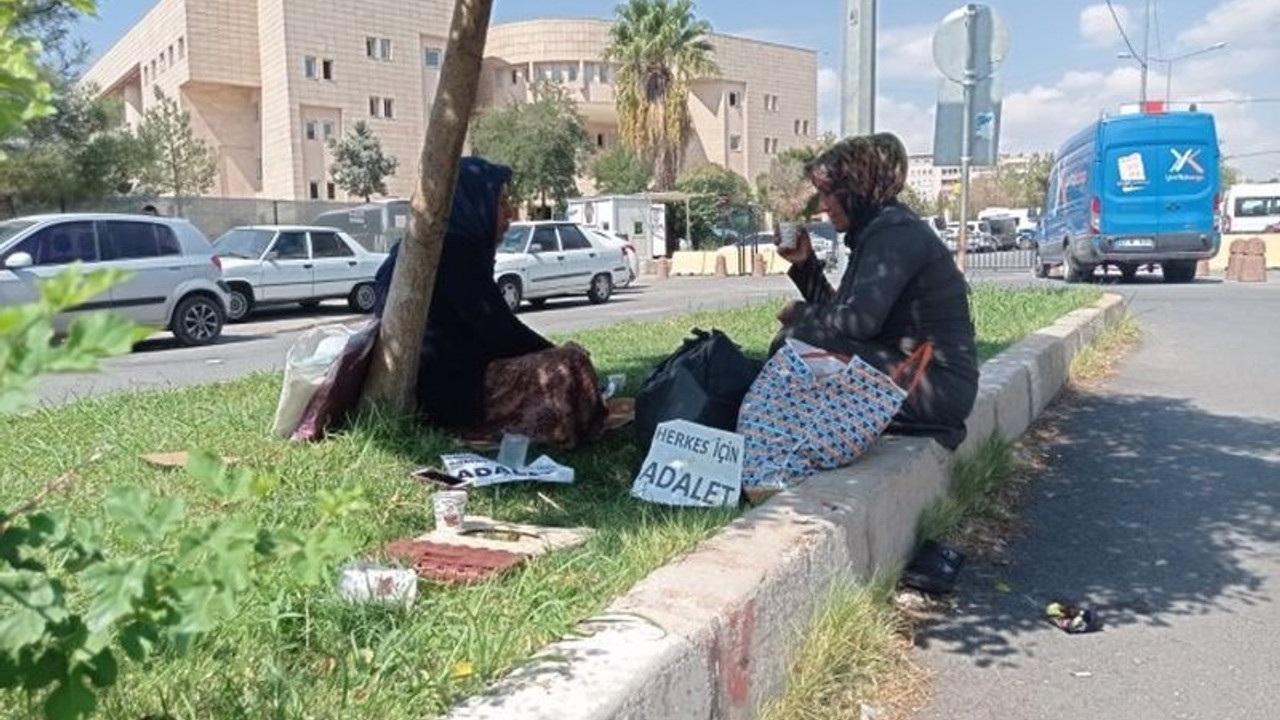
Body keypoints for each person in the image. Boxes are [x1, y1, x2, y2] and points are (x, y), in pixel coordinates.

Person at [372, 157, 607, 449]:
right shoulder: (456, 253)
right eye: (501, 202)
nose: (510, 213)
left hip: (432, 389)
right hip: (448, 397)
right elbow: (500, 332)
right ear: (474, 203)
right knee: (570, 366)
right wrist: (557, 352)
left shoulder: (424, 249)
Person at [773, 133, 978, 450]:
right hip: (922, 379)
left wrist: (799, 313)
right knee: (798, 341)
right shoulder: (880, 229)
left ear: (855, 190)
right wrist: (806, 265)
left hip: (936, 388)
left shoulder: (893, 234)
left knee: (793, 342)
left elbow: (858, 323)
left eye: (830, 194)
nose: (824, 206)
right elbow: (843, 319)